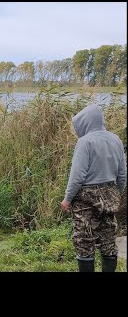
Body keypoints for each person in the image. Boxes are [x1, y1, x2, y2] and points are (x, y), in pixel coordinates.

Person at [61, 104, 126, 272]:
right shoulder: (116, 139)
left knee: (84, 241)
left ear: (86, 122)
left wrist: (67, 199)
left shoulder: (85, 142)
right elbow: (122, 174)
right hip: (110, 195)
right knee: (108, 240)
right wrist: (115, 194)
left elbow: (78, 176)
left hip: (86, 201)